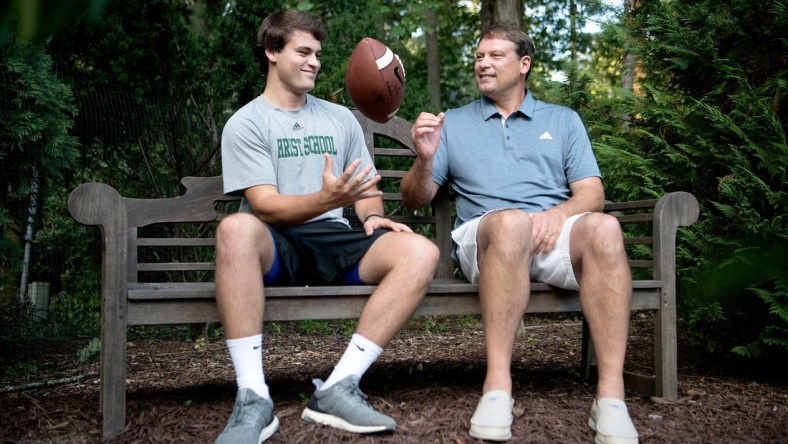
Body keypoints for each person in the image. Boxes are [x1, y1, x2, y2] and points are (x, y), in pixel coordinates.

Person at [401, 24, 639, 444]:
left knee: (604, 227)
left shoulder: (563, 121)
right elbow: (414, 199)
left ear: (524, 64)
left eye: (495, 55)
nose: (483, 63)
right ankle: (497, 388)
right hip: (487, 239)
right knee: (510, 222)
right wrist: (424, 158)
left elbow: (592, 193)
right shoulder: (452, 123)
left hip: (550, 235)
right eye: (479, 56)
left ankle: (611, 397)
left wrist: (556, 215)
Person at [214, 9, 439, 444]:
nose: (314, 61)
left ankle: (339, 387)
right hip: (276, 246)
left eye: (318, 53)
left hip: (335, 241)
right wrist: (325, 199)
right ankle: (253, 398)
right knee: (234, 229)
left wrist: (372, 215)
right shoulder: (246, 123)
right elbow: (266, 207)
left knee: (420, 251)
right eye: (303, 51)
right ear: (272, 52)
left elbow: (366, 189)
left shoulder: (340, 119)